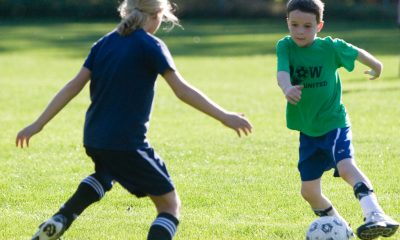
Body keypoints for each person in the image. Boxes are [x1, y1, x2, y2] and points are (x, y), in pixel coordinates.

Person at [16, 0, 252, 239]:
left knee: (107, 174)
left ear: (127, 11)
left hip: (94, 137)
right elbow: (181, 90)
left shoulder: (103, 43)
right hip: (127, 144)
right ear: (158, 15)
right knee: (170, 207)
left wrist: (38, 124)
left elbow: (72, 87)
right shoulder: (151, 46)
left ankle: (62, 218)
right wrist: (224, 116)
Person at [276, 0, 399, 239]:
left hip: (333, 123)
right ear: (287, 23)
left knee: (345, 167)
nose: (300, 31)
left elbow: (357, 52)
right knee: (309, 191)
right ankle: (342, 230)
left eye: (307, 26)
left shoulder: (330, 48)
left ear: (319, 25)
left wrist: (377, 66)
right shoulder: (285, 46)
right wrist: (287, 87)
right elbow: (281, 73)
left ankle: (375, 214)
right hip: (308, 130)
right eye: (295, 25)